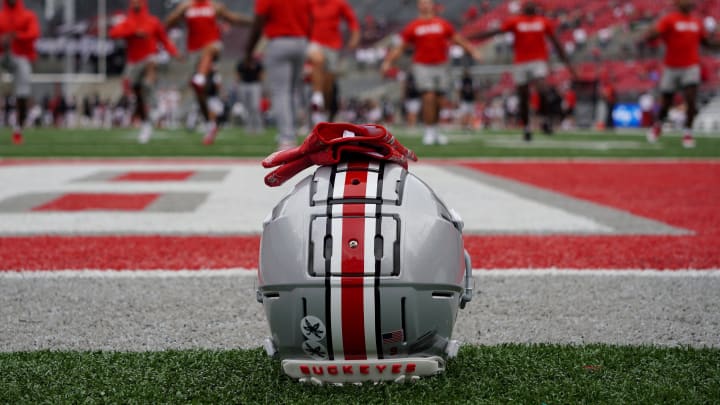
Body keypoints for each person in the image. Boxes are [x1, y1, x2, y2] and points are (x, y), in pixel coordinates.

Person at [471, 1, 575, 141]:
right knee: (523, 95)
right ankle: (526, 126)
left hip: (538, 60)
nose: (530, 5)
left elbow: (556, 42)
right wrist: (474, 37)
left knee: (542, 89)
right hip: (521, 62)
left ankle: (544, 120)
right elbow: (496, 31)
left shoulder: (543, 21)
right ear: (523, 7)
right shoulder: (515, 21)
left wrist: (568, 65)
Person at [382, 0, 480, 146]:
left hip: (442, 65)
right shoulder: (413, 26)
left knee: (439, 100)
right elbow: (400, 47)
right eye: (422, 3)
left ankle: (435, 131)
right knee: (428, 96)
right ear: (419, 6)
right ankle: (428, 131)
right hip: (422, 66)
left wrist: (472, 50)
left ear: (432, 5)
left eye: (427, 2)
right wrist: (388, 61)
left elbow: (457, 39)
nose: (425, 5)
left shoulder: (442, 23)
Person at [166, 0, 251, 145]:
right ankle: (210, 124)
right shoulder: (186, 6)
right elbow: (168, 23)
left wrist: (253, 22)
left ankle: (200, 78)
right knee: (199, 94)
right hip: (194, 53)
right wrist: (178, 14)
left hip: (213, 46)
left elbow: (234, 19)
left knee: (211, 48)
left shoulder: (215, 6)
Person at [640, 0, 720, 148]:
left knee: (691, 100)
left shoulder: (697, 21)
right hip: (671, 67)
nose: (690, 3)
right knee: (666, 102)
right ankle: (658, 125)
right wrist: (650, 34)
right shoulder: (670, 19)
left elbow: (706, 42)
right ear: (678, 3)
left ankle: (688, 133)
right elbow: (654, 34)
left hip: (691, 66)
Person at [244, 0, 311, 151]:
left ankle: (287, 138)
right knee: (293, 91)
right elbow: (311, 18)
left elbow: (258, 21)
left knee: (281, 91)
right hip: (301, 42)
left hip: (279, 41)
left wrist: (249, 50)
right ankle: (292, 132)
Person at [110, 0, 179, 143]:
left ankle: (155, 105)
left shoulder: (153, 21)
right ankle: (146, 123)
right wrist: (134, 32)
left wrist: (175, 53)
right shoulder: (127, 22)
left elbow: (164, 40)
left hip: (149, 58)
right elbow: (114, 33)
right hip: (133, 62)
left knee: (149, 73)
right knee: (136, 91)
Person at [307, 0, 360, 125]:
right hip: (314, 42)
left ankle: (324, 111)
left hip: (333, 46)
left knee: (329, 84)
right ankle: (317, 96)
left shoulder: (339, 3)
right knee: (318, 61)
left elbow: (352, 20)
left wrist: (354, 37)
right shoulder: (309, 3)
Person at [0, 0, 39, 145]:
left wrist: (16, 36)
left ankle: (18, 129)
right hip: (2, 55)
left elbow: (34, 33)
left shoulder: (28, 15)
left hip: (20, 56)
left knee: (23, 91)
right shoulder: (1, 16)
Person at [236, 58, 264, 134]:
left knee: (255, 106)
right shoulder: (242, 63)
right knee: (247, 107)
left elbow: (261, 74)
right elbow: (238, 74)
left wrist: (260, 84)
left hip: (255, 84)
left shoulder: (257, 63)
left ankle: (258, 126)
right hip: (244, 84)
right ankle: (249, 127)